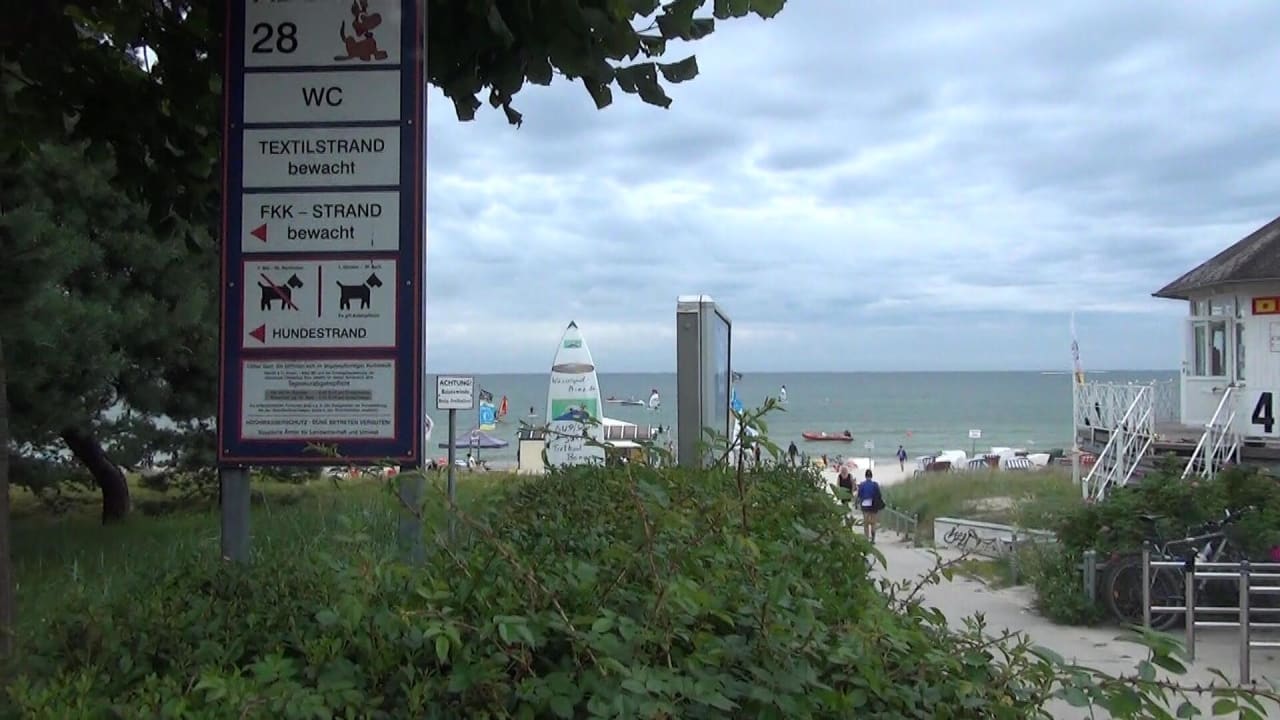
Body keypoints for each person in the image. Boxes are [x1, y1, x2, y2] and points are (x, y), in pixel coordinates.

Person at [857, 469, 885, 543]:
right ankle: (873, 539)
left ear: (865, 476)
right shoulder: (875, 484)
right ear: (871, 476)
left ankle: (866, 538)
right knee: (873, 522)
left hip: (865, 505)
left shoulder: (862, 484)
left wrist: (858, 503)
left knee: (866, 523)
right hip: (873, 505)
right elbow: (879, 495)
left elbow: (859, 495)